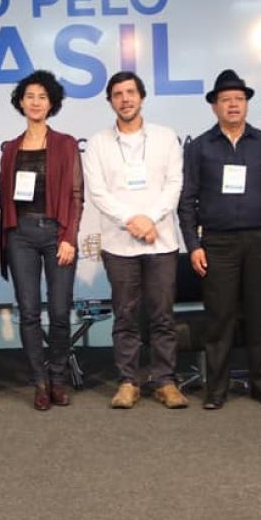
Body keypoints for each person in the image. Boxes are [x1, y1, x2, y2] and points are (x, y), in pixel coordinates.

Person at [178, 69, 261, 410]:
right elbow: (186, 202)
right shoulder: (199, 147)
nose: (233, 105)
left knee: (260, 316)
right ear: (214, 107)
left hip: (260, 239)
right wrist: (193, 246)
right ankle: (217, 389)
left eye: (239, 99)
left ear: (247, 104)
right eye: (225, 100)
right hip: (218, 243)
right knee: (220, 319)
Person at [83, 71, 187, 409]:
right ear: (110, 101)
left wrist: (150, 218)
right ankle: (128, 381)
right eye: (117, 94)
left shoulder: (165, 137)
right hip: (119, 244)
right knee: (125, 316)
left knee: (162, 315)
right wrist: (133, 221)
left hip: (161, 242)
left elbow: (174, 184)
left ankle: (165, 381)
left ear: (141, 97)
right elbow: (97, 191)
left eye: (130, 92)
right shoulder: (98, 142)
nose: (125, 99)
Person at [0, 70, 84, 411]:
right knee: (29, 313)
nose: (35, 102)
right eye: (29, 96)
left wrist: (70, 237)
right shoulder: (10, 148)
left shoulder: (65, 143)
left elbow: (76, 195)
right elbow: (1, 195)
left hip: (56, 234)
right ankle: (40, 383)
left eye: (42, 97)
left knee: (60, 312)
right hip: (20, 235)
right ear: (21, 102)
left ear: (52, 104)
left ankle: (59, 377)